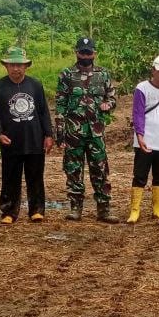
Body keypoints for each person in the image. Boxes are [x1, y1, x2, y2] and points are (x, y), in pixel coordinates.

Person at [56, 36, 119, 223]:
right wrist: (60, 132)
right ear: (76, 52)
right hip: (73, 132)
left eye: (88, 53)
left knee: (100, 169)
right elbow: (60, 104)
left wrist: (108, 104)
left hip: (96, 132)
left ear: (94, 53)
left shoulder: (103, 74)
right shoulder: (67, 74)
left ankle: (104, 209)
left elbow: (112, 98)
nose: (85, 56)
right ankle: (75, 208)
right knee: (74, 170)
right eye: (82, 52)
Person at [0, 46, 54, 224]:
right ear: (6, 66)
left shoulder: (35, 85)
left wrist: (48, 134)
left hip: (34, 138)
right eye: (12, 65)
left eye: (19, 65)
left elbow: (43, 111)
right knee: (10, 177)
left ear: (26, 66)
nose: (16, 69)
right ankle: (9, 211)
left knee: (35, 176)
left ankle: (36, 210)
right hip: (10, 140)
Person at [127, 55, 159, 223]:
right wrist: (140, 135)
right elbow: (138, 113)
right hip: (146, 139)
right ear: (153, 71)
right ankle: (135, 210)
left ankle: (158, 209)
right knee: (140, 175)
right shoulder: (142, 88)